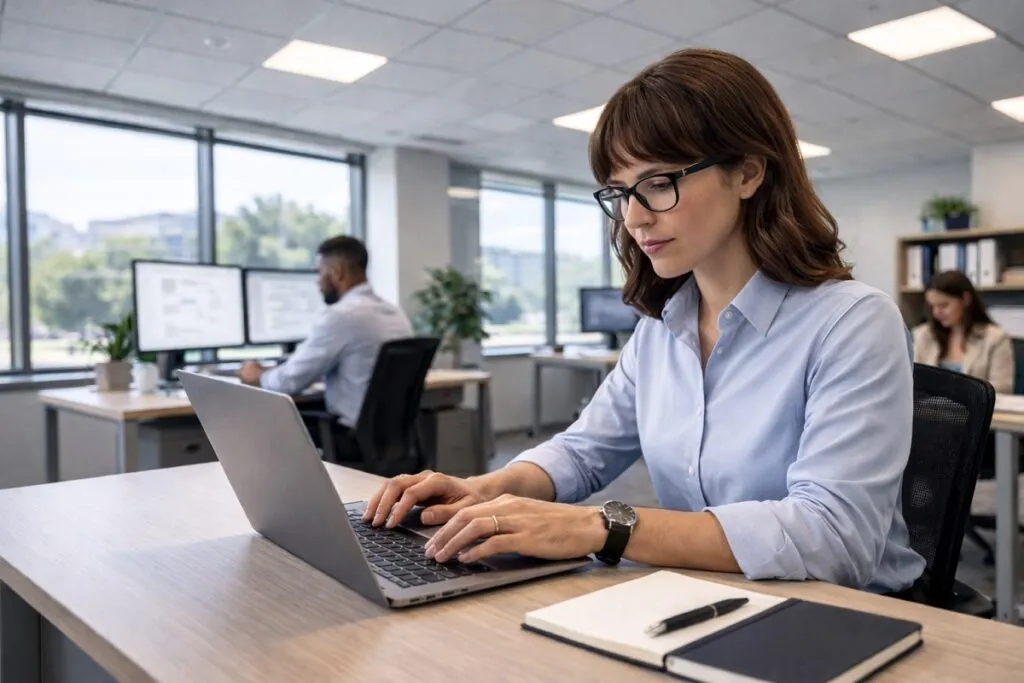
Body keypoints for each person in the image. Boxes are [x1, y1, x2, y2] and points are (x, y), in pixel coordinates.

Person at [363, 47, 925, 594]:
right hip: (709, 594)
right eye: (621, 192)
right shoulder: (662, 330)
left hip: (844, 613)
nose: (633, 217)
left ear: (748, 173)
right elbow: (583, 451)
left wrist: (602, 527)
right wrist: (484, 490)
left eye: (658, 183)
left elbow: (834, 537)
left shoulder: (852, 323)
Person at [238, 235, 413, 429]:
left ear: (337, 273)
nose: (317, 282)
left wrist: (258, 376)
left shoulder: (342, 315)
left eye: (319, 272)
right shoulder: (395, 312)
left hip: (347, 434)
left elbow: (289, 382)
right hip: (390, 433)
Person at [913, 269, 1014, 393]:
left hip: (978, 406)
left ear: (966, 299)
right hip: (932, 405)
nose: (936, 313)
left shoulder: (995, 338)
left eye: (943, 305)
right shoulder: (923, 335)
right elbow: (915, 384)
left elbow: (1002, 389)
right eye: (932, 306)